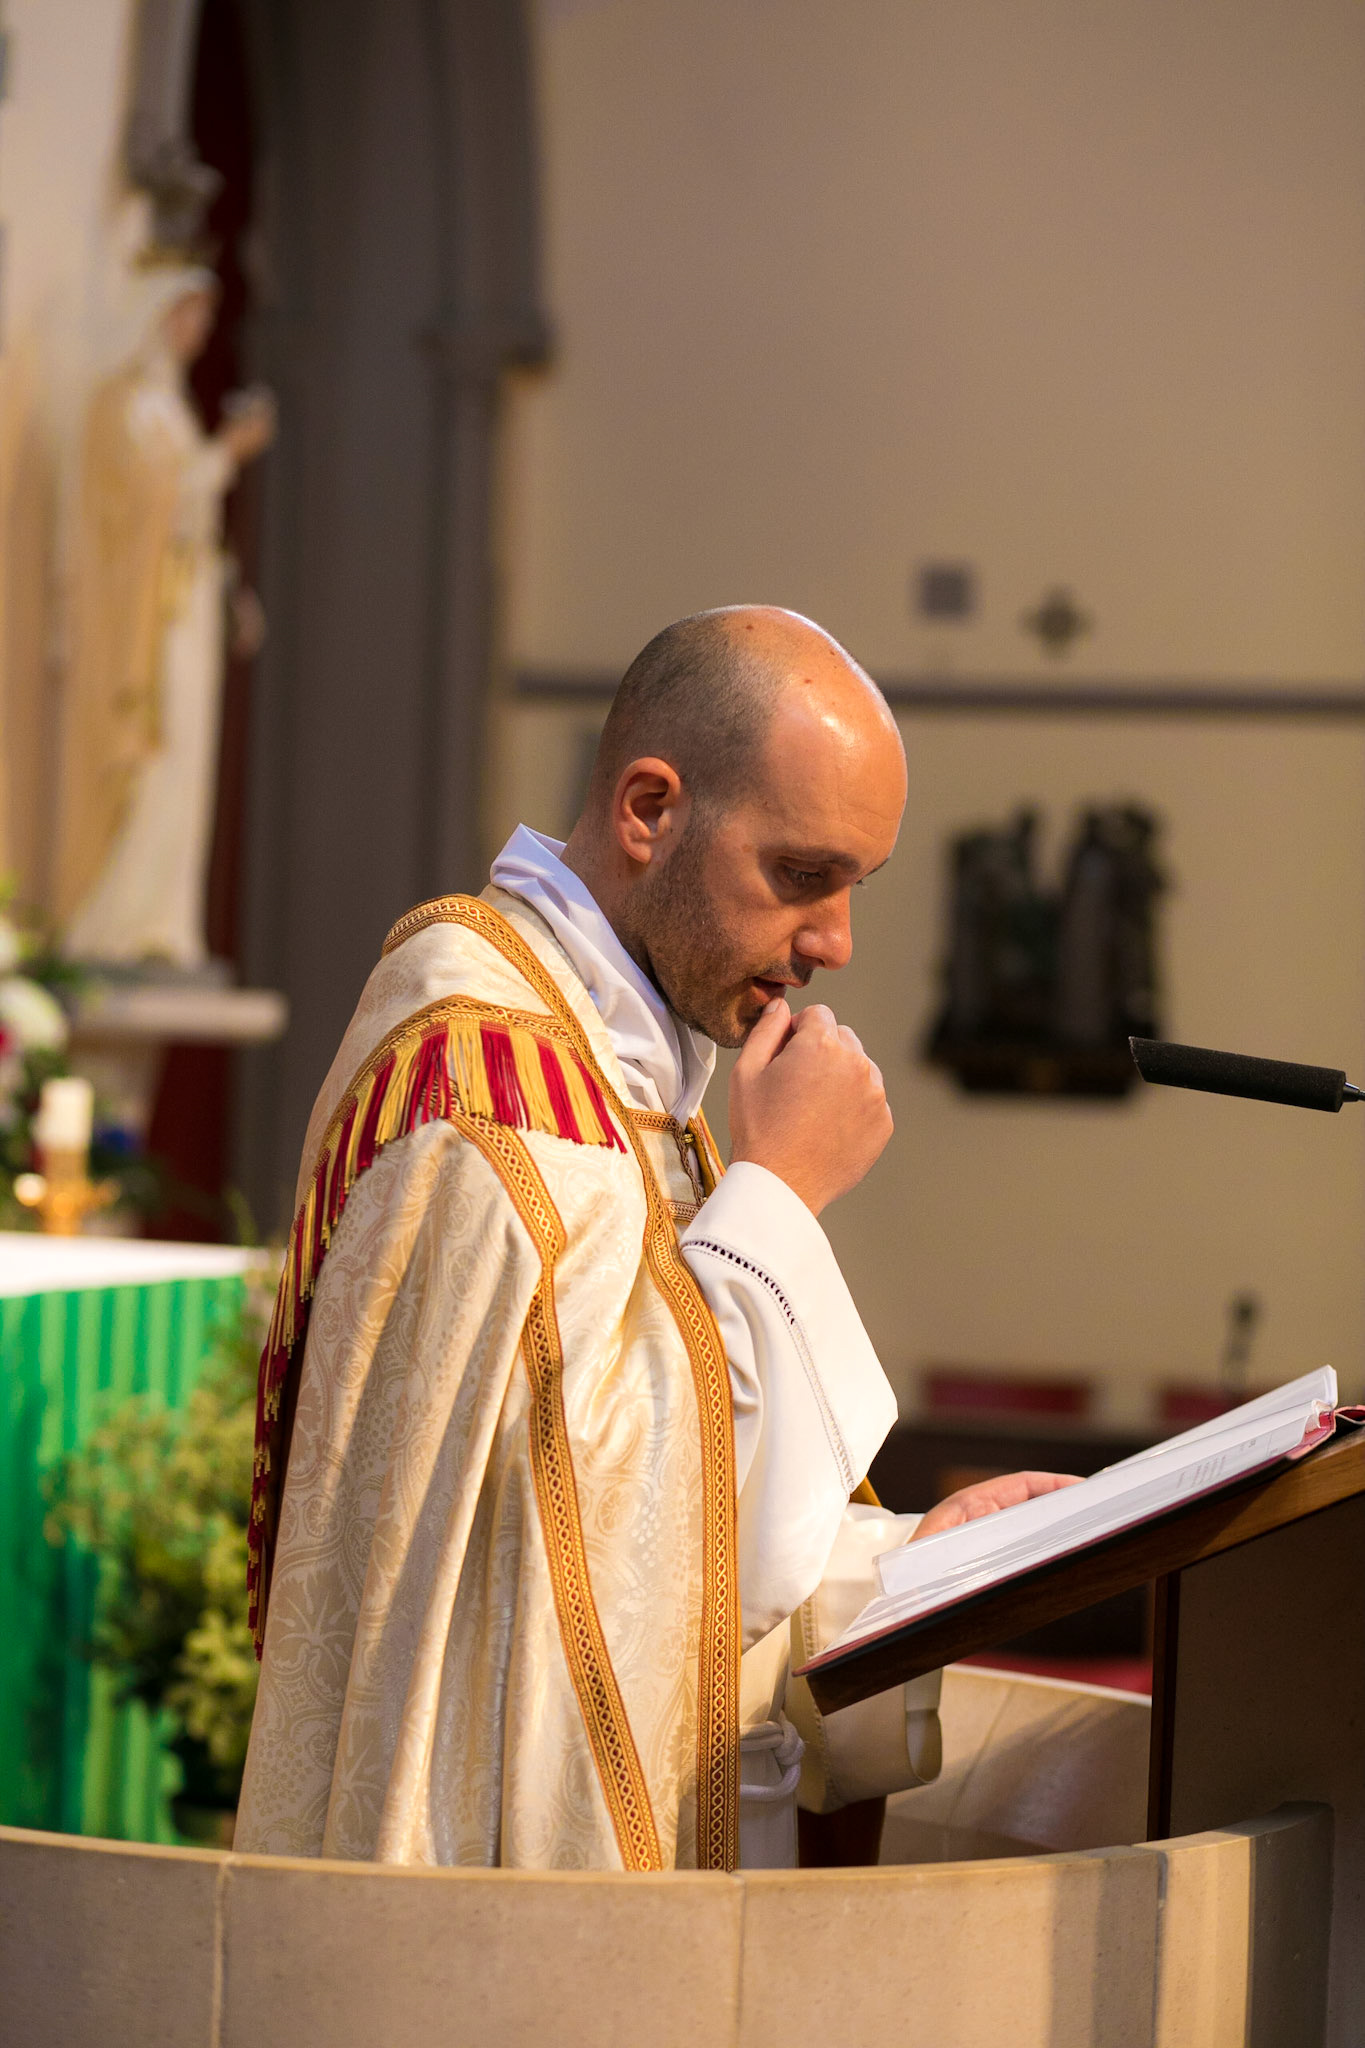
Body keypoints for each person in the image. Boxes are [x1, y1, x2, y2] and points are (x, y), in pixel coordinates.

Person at [236, 606, 1073, 1870]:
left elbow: (675, 1538)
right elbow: (568, 1585)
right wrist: (781, 1194)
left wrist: (903, 1570)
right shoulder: (489, 1087)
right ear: (648, 809)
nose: (836, 940)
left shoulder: (626, 1082)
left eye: (857, 885)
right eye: (802, 875)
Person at [55, 271, 275, 966]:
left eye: (206, 315)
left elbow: (192, 526)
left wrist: (232, 588)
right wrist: (227, 454)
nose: (198, 330)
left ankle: (162, 921)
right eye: (188, 313)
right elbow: (148, 510)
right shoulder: (127, 405)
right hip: (147, 622)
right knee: (156, 752)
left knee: (186, 762)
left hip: (185, 608)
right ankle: (117, 918)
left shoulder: (170, 409)